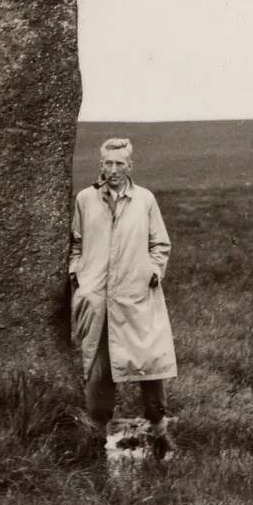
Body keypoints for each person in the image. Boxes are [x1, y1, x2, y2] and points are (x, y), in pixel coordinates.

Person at [69, 137, 177, 459]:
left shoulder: (144, 200)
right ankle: (96, 444)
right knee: (99, 375)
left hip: (136, 300)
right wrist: (79, 277)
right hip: (98, 302)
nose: (113, 170)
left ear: (130, 166)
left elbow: (160, 245)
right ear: (100, 164)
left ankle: (160, 436)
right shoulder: (86, 199)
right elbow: (75, 244)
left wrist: (153, 273)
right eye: (107, 163)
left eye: (119, 164)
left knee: (150, 370)